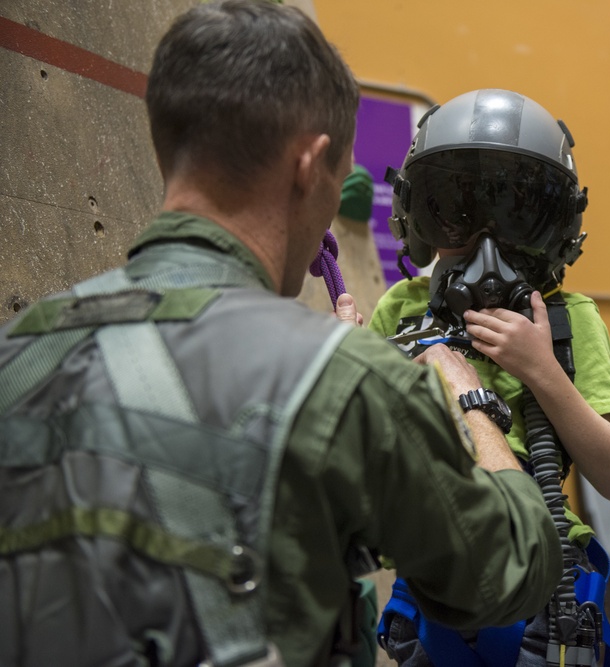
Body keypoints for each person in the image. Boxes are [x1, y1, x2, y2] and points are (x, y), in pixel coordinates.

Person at [0, 4, 564, 667]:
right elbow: (514, 566)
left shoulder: (21, 353)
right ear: (310, 164)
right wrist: (472, 402)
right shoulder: (344, 377)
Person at [369, 89, 610, 667]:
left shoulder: (569, 319)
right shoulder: (401, 310)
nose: (486, 250)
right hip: (437, 575)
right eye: (455, 215)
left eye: (516, 218)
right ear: (419, 216)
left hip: (549, 582)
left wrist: (543, 371)